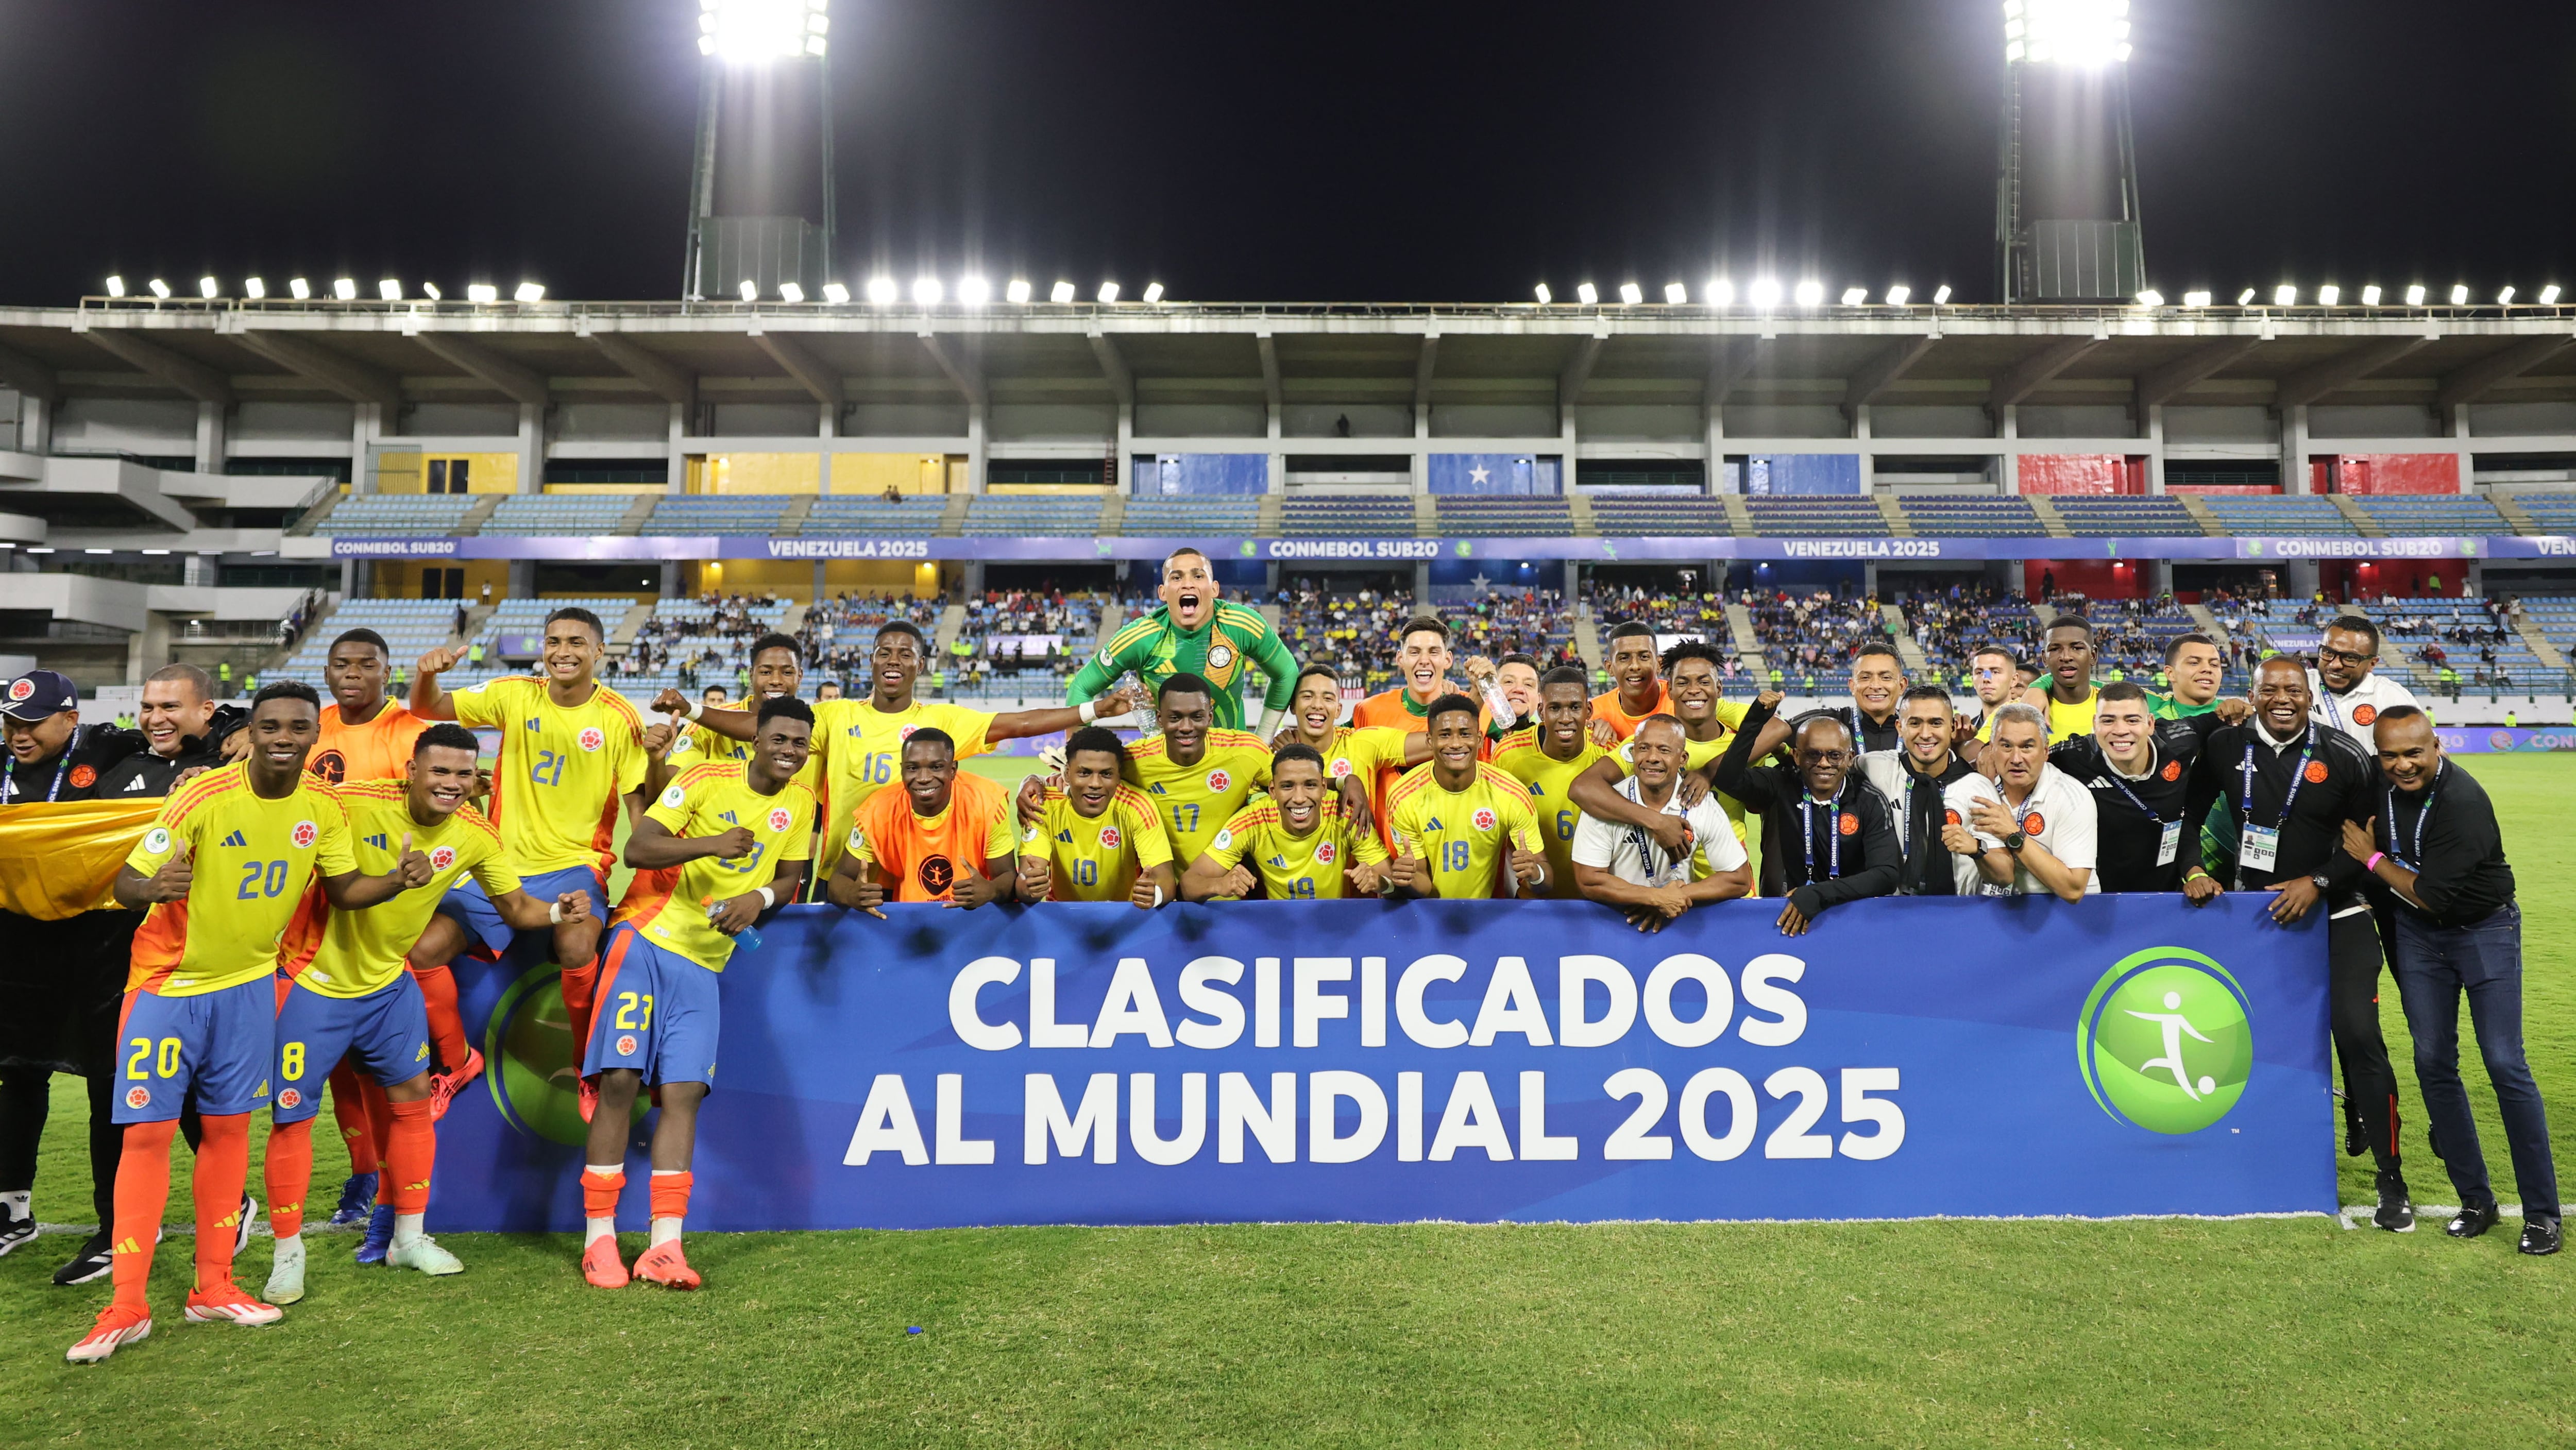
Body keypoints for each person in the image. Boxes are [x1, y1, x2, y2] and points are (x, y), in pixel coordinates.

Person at [69, 683, 420, 1364]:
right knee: (146, 1136)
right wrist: (155, 887)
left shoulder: (322, 807)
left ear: (312, 735)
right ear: (251, 731)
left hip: (251, 987)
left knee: (229, 1131)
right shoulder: (203, 795)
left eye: (296, 726)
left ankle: (213, 1285)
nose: (284, 736)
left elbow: (344, 890)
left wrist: (398, 880)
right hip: (170, 987)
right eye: (270, 725)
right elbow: (126, 882)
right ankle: (127, 1303)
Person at [262, 723, 592, 1304]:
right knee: (292, 1116)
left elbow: (515, 907)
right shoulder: (353, 801)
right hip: (313, 982)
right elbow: (282, 794)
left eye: (464, 773)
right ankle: (287, 1255)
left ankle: (409, 1239)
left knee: (413, 1105)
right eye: (439, 771)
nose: (452, 784)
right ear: (411, 770)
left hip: (390, 985)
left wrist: (560, 912)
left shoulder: (473, 832)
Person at [580, 695, 818, 1291]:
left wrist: (756, 901)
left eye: (799, 744)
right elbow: (638, 848)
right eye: (780, 739)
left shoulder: (802, 801)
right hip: (646, 938)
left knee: (683, 1093)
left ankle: (664, 1246)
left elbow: (789, 879)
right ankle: (599, 1237)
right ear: (755, 739)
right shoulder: (706, 779)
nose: (789, 752)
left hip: (704, 963)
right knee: (619, 1082)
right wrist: (709, 844)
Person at [409, 607, 662, 1131]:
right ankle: (456, 1064)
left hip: (575, 865)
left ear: (599, 653)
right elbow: (427, 706)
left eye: (575, 642)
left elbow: (642, 815)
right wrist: (428, 672)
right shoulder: (514, 693)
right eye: (553, 641)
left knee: (575, 947)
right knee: (422, 950)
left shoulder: (618, 718)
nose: (562, 652)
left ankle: (585, 1069)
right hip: (499, 865)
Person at [2187, 655, 2413, 1231]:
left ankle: (2391, 1176)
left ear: (2309, 695)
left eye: (2293, 689)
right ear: (2254, 693)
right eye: (2270, 689)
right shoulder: (2222, 745)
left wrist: (2315, 882)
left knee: (2357, 1034)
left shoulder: (2344, 757)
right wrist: (2191, 869)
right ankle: (2241, 1154)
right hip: (2254, 917)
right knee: (2242, 1042)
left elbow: (2366, 847)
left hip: (2337, 911)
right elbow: (2184, 817)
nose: (2282, 698)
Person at [681, 623, 1132, 890]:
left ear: (921, 665)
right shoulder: (835, 715)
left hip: (914, 874)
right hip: (842, 873)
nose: (893, 659)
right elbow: (764, 728)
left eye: (905, 654)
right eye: (884, 652)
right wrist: (695, 711)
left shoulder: (943, 718)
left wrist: (1093, 709)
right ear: (871, 663)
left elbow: (1017, 724)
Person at [2347, 706, 2557, 1254]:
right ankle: (2475, 1200)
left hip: (2482, 929)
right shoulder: (2378, 782)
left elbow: (2431, 893)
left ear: (2435, 745)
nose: (2402, 765)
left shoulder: (2462, 801)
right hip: (2419, 937)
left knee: (2505, 1063)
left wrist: (2369, 858)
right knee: (2432, 1061)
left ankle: (2541, 1213)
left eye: (2413, 752)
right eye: (2389, 755)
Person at [1712, 690, 1901, 936]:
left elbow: (1886, 874)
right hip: (1782, 918)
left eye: (1835, 755)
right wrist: (1753, 723)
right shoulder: (1779, 785)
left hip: (1850, 916)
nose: (1824, 763)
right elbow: (1728, 779)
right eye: (1813, 754)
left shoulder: (1867, 799)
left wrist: (1818, 894)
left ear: (1850, 758)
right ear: (1797, 756)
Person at [1040, 673, 1273, 870]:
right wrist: (1034, 781)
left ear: (1210, 717)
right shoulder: (1133, 760)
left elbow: (1291, 786)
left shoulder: (1246, 752)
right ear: (1160, 720)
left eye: (1197, 717)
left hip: (1223, 890)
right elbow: (1088, 779)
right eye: (1175, 718)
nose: (1186, 727)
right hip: (1158, 891)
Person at [1067, 547, 1296, 730]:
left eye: (1198, 576)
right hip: (1165, 770)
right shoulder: (1139, 638)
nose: (1188, 583)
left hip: (1231, 768)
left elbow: (1286, 673)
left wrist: (1263, 738)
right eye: (1176, 577)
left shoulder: (1241, 624)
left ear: (1214, 589)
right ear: (1163, 593)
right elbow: (1082, 687)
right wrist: (1078, 753)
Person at [1571, 714, 1752, 931]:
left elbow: (1739, 879)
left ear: (1683, 759)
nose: (1652, 758)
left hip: (1676, 923)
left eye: (1664, 750)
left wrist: (1676, 896)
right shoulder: (1605, 803)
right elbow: (1590, 881)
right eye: (1644, 748)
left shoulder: (1701, 806)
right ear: (1633, 753)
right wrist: (1654, 898)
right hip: (1616, 924)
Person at [2044, 681, 2224, 895]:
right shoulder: (2074, 756)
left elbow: (2221, 719)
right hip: (2101, 898)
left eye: (2132, 720)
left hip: (2168, 894)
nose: (2120, 731)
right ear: (2095, 724)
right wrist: (2039, 687)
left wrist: (2236, 708)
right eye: (2108, 721)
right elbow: (2027, 755)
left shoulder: (2180, 741)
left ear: (2150, 724)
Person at [829, 727, 1017, 910]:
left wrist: (991, 890)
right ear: (902, 771)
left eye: (936, 767)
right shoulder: (876, 811)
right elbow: (840, 879)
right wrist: (851, 894)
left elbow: (1007, 875)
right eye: (913, 768)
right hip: (910, 921)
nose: (924, 778)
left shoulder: (988, 802)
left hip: (974, 919)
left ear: (953, 770)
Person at [1383, 694, 1548, 900]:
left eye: (1465, 734)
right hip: (1432, 915)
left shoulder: (1512, 794)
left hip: (1490, 914)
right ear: (1429, 740)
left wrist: (1536, 875)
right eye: (1445, 735)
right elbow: (1423, 884)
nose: (1455, 744)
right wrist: (1408, 880)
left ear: (1479, 740)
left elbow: (1545, 882)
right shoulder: (1403, 797)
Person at [1185, 742, 1389, 900]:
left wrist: (1381, 883)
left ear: (1324, 788)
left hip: (1336, 931)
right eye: (1287, 786)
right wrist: (1219, 886)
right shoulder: (1252, 821)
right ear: (1273, 791)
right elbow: (1188, 884)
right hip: (1279, 934)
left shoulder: (1346, 815)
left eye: (1310, 785)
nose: (1299, 798)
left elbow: (1397, 885)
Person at [1940, 703, 2097, 901]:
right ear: (1991, 748)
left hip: (2067, 917)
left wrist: (2014, 835)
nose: (2016, 758)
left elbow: (2073, 890)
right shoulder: (1980, 788)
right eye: (2006, 746)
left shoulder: (2072, 798)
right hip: (2000, 913)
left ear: (2046, 751)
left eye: (2027, 747)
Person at [1016, 727, 1175, 908]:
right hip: (1062, 914)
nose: (1095, 784)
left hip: (1125, 914)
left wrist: (1155, 894)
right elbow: (1027, 876)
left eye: (1106, 774)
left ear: (1119, 775)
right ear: (1067, 773)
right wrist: (1030, 886)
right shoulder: (1043, 804)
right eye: (1084, 773)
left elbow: (1165, 878)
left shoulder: (1137, 806)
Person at [1489, 667, 1611, 898]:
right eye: (1555, 708)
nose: (1565, 719)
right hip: (1532, 899)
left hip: (1595, 902)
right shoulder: (1509, 754)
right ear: (1541, 711)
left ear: (1588, 711)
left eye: (1575, 708)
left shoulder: (1607, 754)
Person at [1267, 661, 1420, 836]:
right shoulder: (1275, 754)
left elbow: (1435, 743)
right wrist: (1343, 782)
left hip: (1364, 861)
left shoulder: (1363, 743)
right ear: (1293, 706)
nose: (1317, 705)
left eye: (1328, 698)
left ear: (1338, 710)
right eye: (1308, 696)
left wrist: (1448, 698)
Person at [1855, 684, 1979, 896]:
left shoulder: (1977, 786)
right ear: (1899, 728)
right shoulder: (1872, 766)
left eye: (1936, 723)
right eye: (1914, 723)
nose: (1925, 734)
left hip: (1957, 910)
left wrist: (1978, 849)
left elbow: (2003, 876)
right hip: (1890, 909)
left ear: (1952, 728)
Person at [2309, 613, 2423, 748]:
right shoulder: (2298, 684)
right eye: (2328, 652)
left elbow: (2429, 752)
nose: (2335, 665)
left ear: (2372, 664)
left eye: (2350, 658)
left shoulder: (2392, 697)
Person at [2018, 616, 2101, 742]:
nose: (2066, 657)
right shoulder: (2019, 709)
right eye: (2055, 649)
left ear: (2093, 656)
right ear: (2044, 658)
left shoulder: (2124, 706)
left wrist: (2039, 685)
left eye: (2077, 648)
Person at [1589, 622, 1671, 742]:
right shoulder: (1594, 713)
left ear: (1659, 664)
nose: (1634, 666)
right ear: (1610, 668)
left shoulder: (1680, 701)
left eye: (1644, 657)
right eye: (1624, 658)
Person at [2149, 632, 2229, 721]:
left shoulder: (2236, 716)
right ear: (2170, 673)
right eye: (2194, 663)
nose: (2207, 669)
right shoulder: (2147, 707)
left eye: (2214, 665)